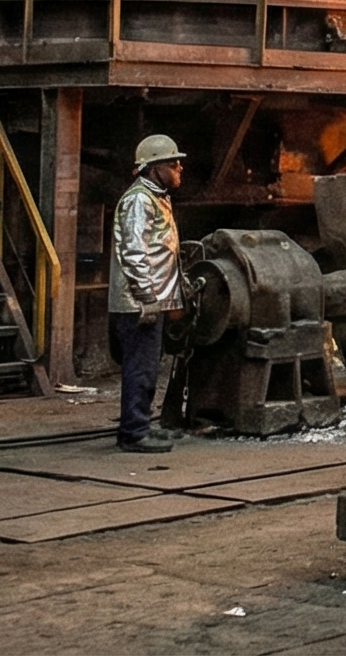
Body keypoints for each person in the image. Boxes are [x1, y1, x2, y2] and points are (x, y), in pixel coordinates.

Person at [108, 134, 189, 453]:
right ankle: (134, 433)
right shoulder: (139, 200)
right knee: (140, 368)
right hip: (139, 303)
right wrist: (147, 298)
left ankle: (139, 426)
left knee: (148, 367)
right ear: (153, 168)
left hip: (153, 300)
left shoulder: (157, 197)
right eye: (173, 163)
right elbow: (134, 251)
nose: (179, 167)